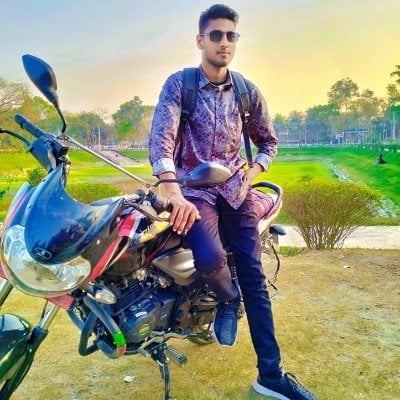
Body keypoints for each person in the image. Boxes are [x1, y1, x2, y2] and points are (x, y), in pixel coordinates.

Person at [149, 4, 317, 399]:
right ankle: (228, 298)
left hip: (236, 192)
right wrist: (172, 190)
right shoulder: (180, 85)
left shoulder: (246, 91)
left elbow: (269, 141)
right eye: (216, 35)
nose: (224, 42)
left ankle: (270, 374)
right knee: (209, 258)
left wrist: (252, 171)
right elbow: (161, 140)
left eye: (231, 36)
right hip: (194, 193)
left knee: (255, 278)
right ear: (200, 41)